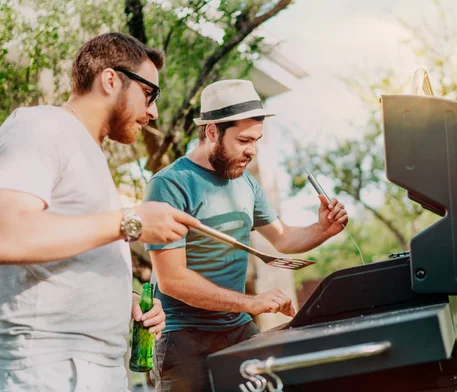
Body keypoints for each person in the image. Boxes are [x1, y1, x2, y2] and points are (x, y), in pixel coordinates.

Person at [0, 32, 202, 392]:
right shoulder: (40, 126)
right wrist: (132, 221)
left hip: (96, 368)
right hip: (51, 367)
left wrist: (124, 300)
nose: (154, 111)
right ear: (110, 80)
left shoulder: (88, 152)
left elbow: (63, 252)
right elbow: (8, 233)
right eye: (149, 93)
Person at [144, 79, 348, 392]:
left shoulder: (247, 185)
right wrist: (251, 302)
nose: (251, 150)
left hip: (238, 330)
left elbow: (283, 239)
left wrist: (322, 229)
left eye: (256, 140)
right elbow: (172, 279)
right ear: (212, 132)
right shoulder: (170, 184)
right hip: (184, 338)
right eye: (243, 140)